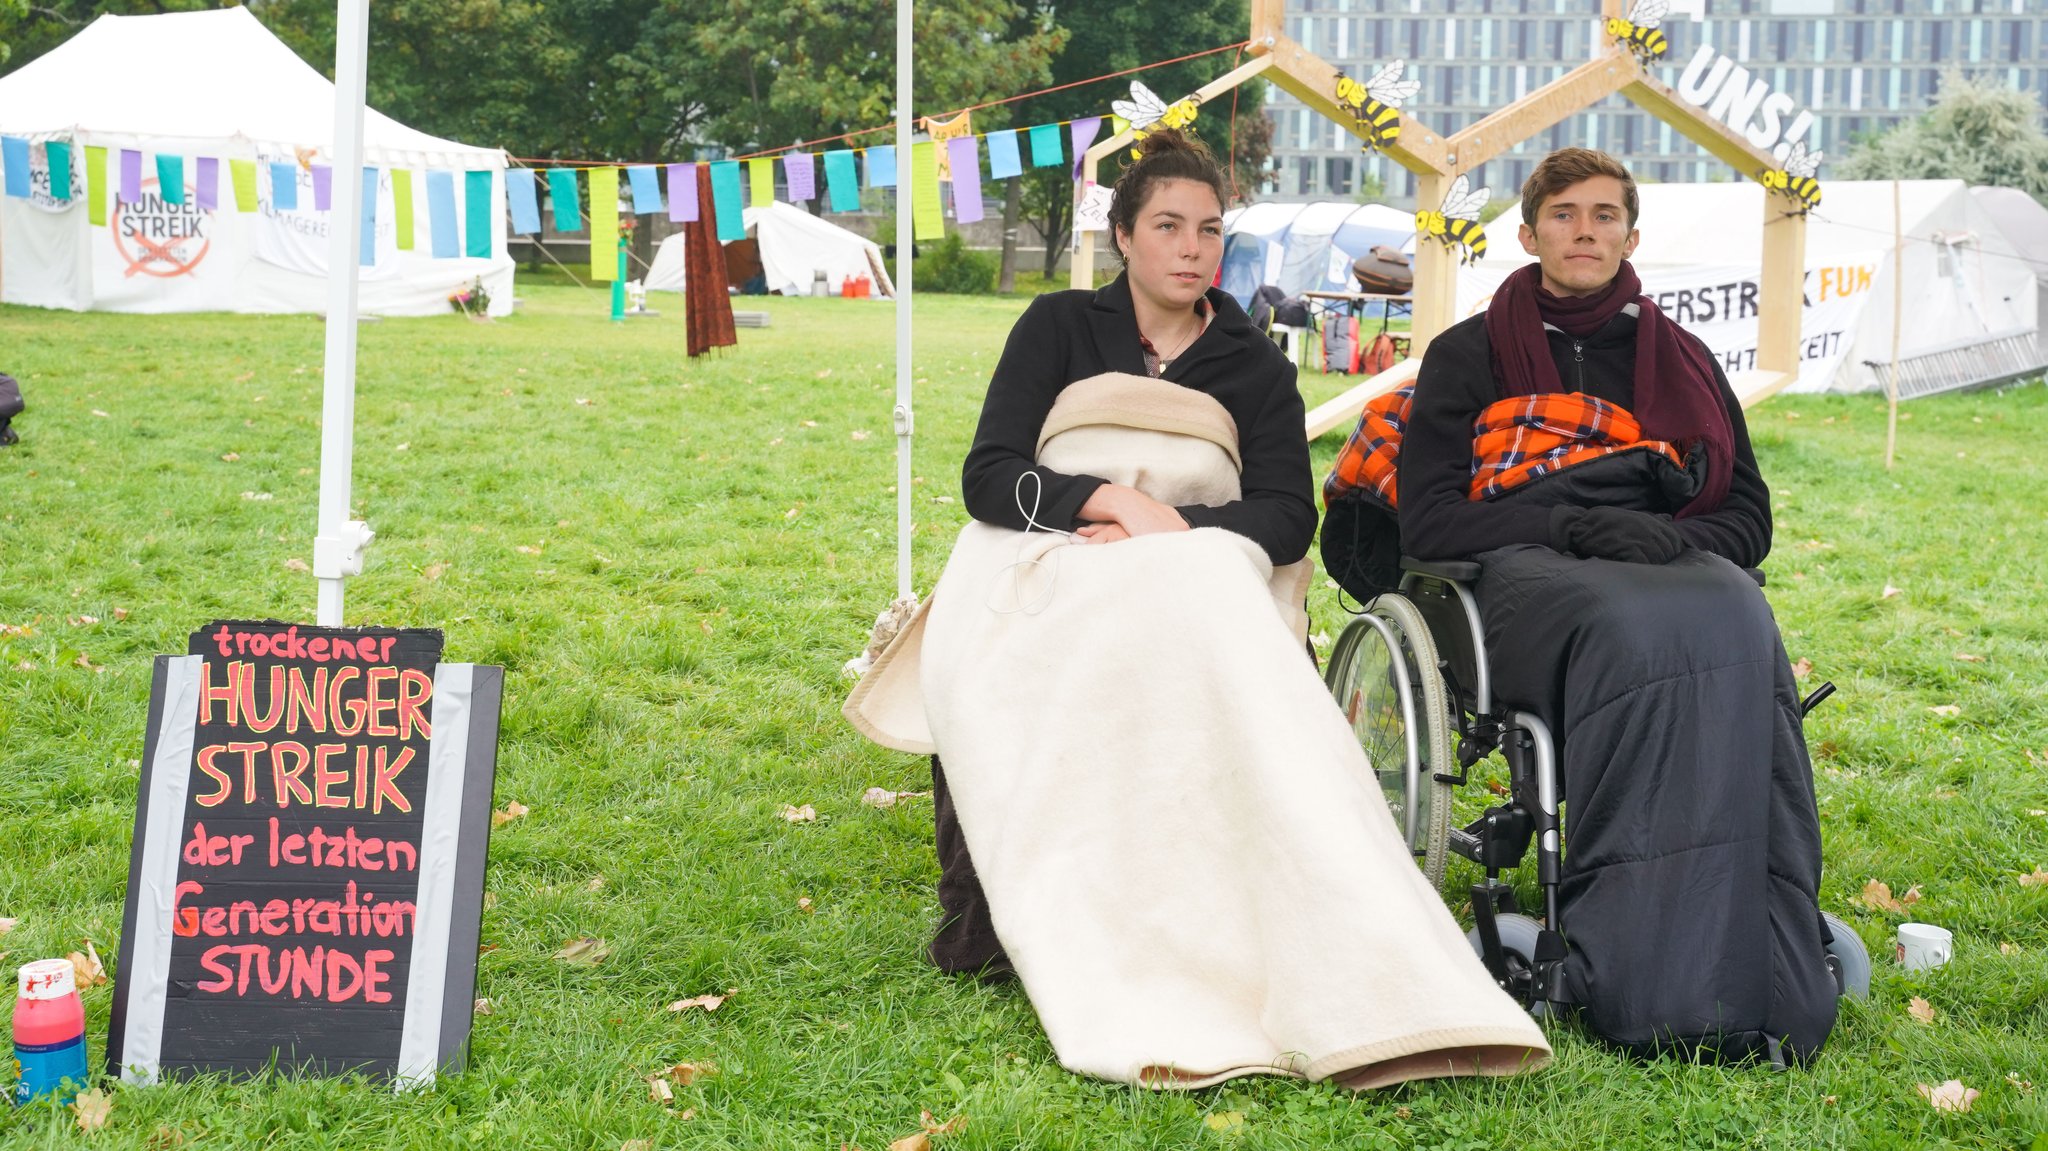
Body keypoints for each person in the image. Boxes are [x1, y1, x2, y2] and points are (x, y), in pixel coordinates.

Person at [852, 129, 1549, 1092]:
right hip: (1059, 557)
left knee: (1212, 596)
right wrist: (1109, 501)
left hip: (1195, 563)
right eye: (1169, 226)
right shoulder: (1056, 327)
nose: (1191, 247)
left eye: (1209, 229)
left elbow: (1282, 515)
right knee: (1049, 623)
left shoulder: (1255, 364)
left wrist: (1165, 524)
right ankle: (1038, 907)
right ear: (1126, 237)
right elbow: (990, 475)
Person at [1391, 147, 1838, 1062]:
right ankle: (1644, 973)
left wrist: (1672, 537)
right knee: (1635, 631)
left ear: (1632, 235)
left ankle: (1767, 953)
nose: (1583, 230)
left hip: (1670, 565)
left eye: (1603, 215)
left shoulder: (1684, 361)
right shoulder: (1468, 354)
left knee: (1739, 615)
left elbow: (1747, 520)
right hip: (1525, 574)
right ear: (1528, 233)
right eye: (1563, 215)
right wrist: (1573, 523)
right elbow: (1430, 523)